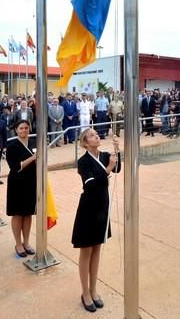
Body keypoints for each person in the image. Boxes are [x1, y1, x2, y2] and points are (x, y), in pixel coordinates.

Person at [71, 129, 121, 312]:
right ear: (85, 143)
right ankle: (85, 292)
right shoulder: (83, 162)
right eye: (91, 136)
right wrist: (108, 169)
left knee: (97, 248)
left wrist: (117, 150)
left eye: (96, 134)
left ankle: (93, 289)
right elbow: (90, 184)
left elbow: (118, 168)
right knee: (86, 251)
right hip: (88, 209)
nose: (96, 136)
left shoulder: (106, 155)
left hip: (102, 207)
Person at [5, 120, 38, 258]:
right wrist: (33, 158)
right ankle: (18, 243)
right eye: (21, 128)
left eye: (26, 128)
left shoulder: (33, 143)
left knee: (28, 213)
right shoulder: (12, 147)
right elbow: (15, 167)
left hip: (31, 181)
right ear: (16, 130)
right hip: (17, 183)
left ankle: (26, 242)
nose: (24, 130)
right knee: (18, 214)